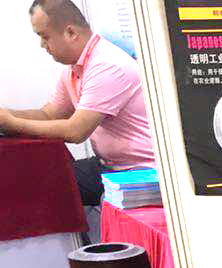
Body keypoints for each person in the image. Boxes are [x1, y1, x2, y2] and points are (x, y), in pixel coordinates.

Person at [0, 0, 155, 206]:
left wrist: (12, 123)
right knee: (33, 175)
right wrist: (5, 116)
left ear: (71, 32)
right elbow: (49, 115)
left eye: (45, 37)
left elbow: (76, 131)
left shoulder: (107, 65)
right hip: (110, 165)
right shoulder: (74, 68)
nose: (43, 45)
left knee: (38, 186)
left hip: (140, 173)